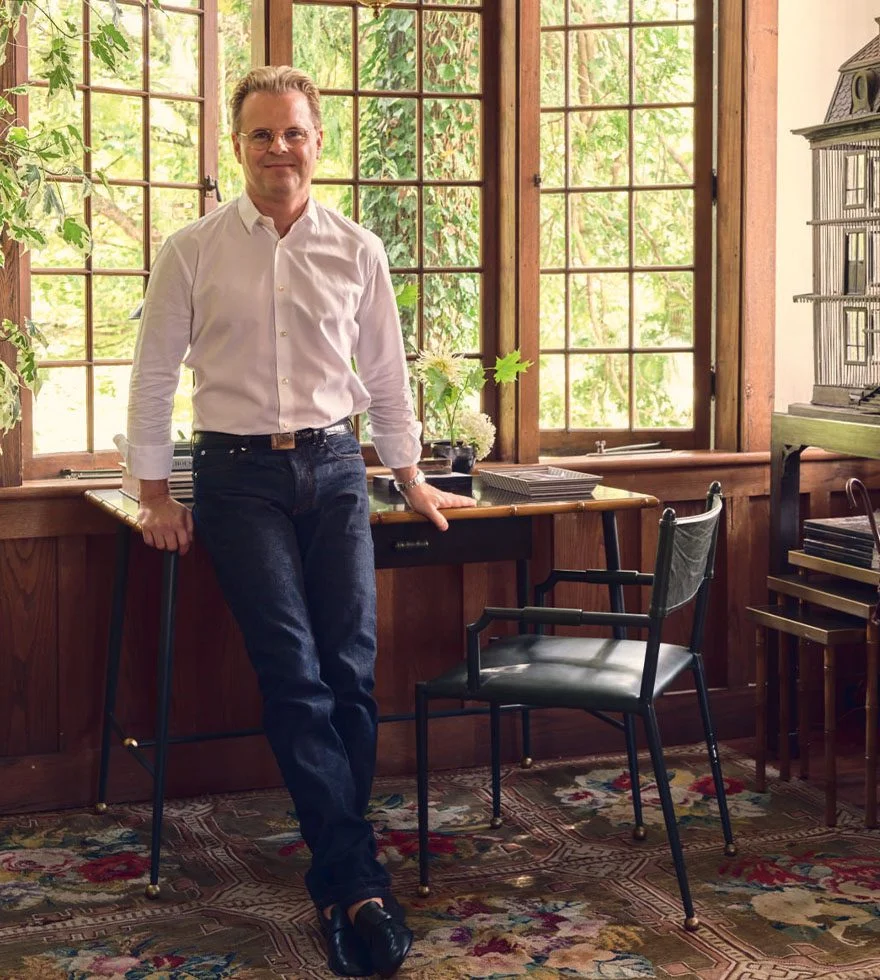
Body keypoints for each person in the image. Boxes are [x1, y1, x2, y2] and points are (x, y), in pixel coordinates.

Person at [126, 65, 476, 978]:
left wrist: (411, 477)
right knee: (295, 677)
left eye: (293, 133)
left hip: (336, 469)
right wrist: (154, 494)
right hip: (236, 478)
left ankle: (338, 868)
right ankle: (360, 888)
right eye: (259, 135)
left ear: (318, 142)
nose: (278, 149)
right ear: (235, 146)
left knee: (352, 675)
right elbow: (155, 375)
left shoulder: (358, 250)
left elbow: (389, 379)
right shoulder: (190, 250)